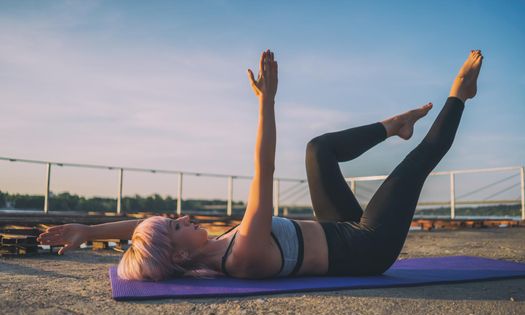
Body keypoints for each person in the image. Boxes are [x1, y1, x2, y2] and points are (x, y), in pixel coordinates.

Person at [37, 49, 484, 281]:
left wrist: (88, 231)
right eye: (177, 226)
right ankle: (459, 95)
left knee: (317, 150)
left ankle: (394, 125)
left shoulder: (203, 249)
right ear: (180, 254)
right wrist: (267, 102)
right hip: (368, 247)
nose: (185, 218)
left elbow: (145, 229)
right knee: (416, 164)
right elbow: (264, 170)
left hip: (338, 228)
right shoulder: (244, 252)